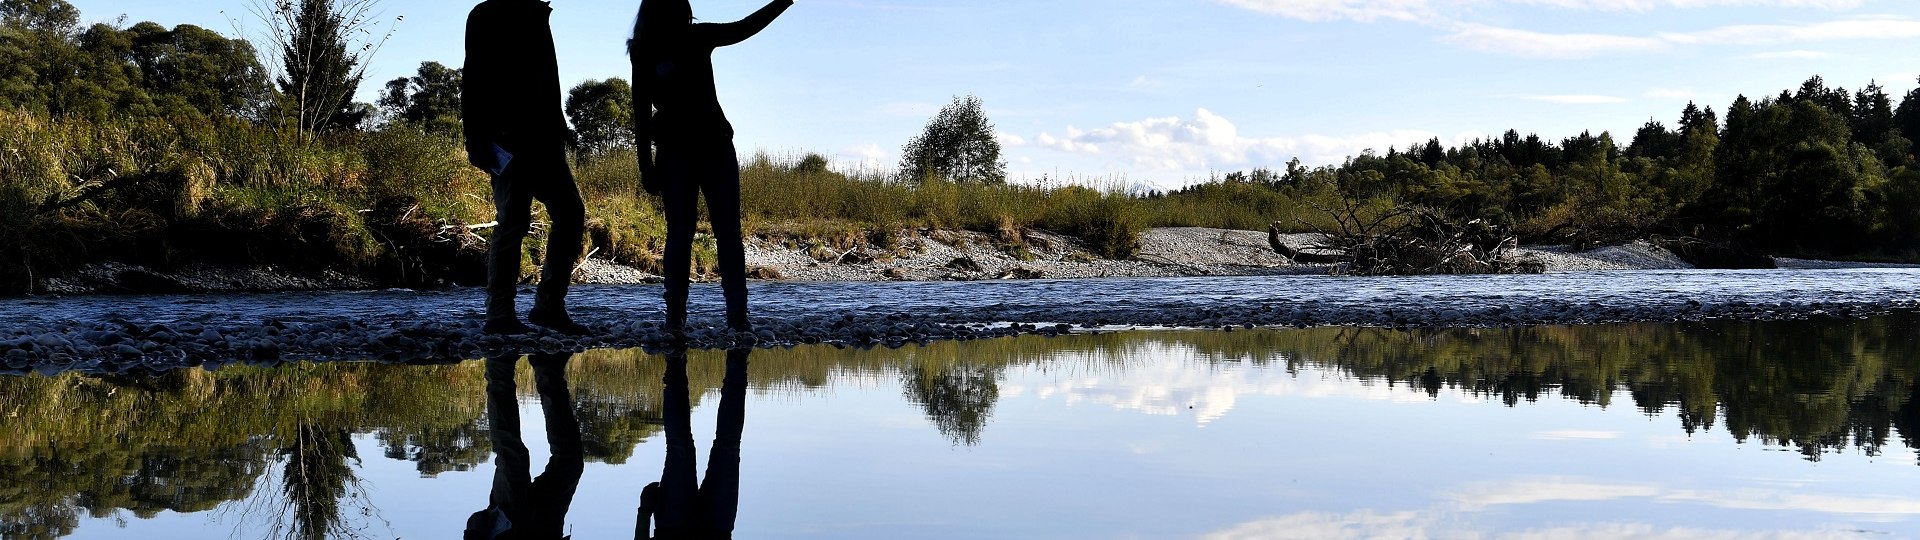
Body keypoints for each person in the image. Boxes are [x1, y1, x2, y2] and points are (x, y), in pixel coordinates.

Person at [630, 0, 795, 336]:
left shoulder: (696, 37)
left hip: (710, 146)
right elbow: (640, 110)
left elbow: (744, 27)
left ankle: (728, 318)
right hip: (685, 149)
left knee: (716, 234)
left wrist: (783, 2)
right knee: (693, 235)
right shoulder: (647, 50)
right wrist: (646, 165)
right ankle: (687, 319)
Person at [464, 0, 590, 335]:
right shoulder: (485, 15)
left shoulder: (537, 15)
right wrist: (475, 140)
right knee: (513, 222)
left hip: (546, 141)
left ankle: (549, 306)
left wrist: (561, 127)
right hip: (507, 140)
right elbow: (473, 78)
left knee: (571, 213)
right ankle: (500, 313)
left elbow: (547, 80)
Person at [465, 353, 585, 540]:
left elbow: (474, 526)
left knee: (512, 458)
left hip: (508, 525)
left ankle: (499, 368)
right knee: (571, 462)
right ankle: (548, 369)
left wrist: (477, 531)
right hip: (547, 525)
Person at [635, 348, 750, 539]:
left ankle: (675, 354)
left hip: (673, 526)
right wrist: (643, 512)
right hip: (716, 529)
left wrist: (644, 512)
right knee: (726, 446)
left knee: (682, 445)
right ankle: (738, 355)